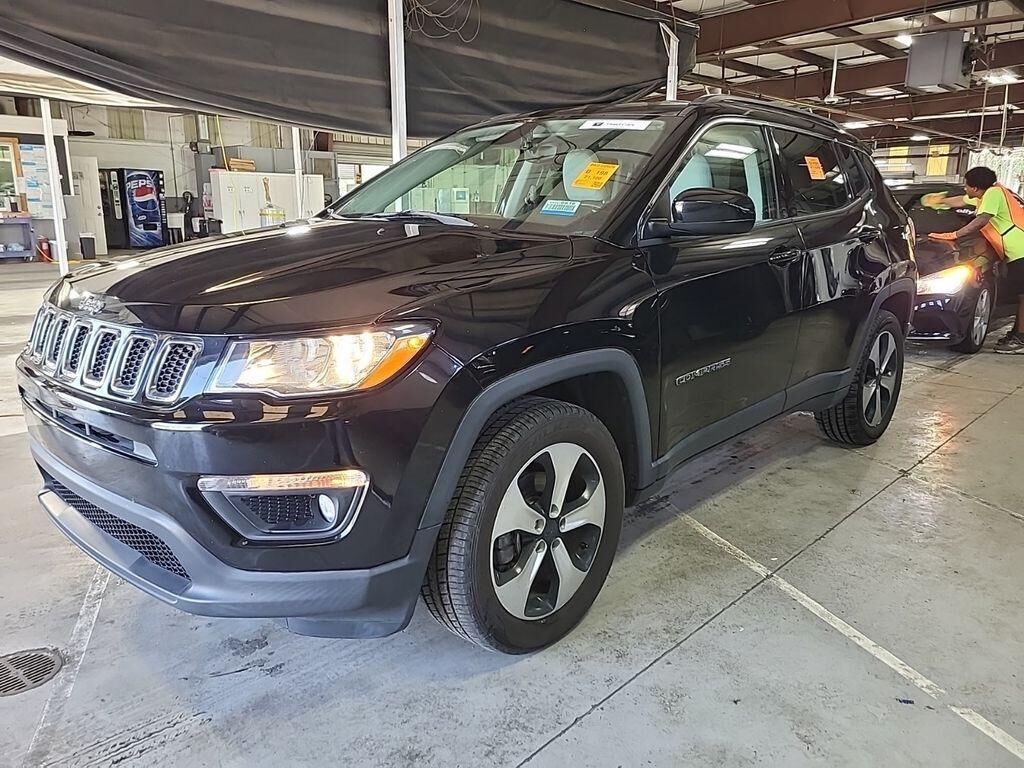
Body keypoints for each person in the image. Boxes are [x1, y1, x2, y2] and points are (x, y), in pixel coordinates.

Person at [925, 166, 1024, 354]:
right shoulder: (986, 194)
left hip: (1021, 251)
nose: (965, 188)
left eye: (966, 185)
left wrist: (953, 234)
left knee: (1023, 297)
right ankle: (1017, 334)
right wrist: (940, 201)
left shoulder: (994, 194)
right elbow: (960, 201)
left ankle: (1020, 339)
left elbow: (982, 220)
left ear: (976, 188)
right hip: (1017, 252)